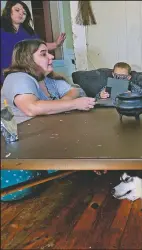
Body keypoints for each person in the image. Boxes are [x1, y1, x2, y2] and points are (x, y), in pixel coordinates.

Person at [1, 39, 95, 201]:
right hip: (17, 149)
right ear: (27, 59)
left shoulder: (48, 80)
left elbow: (75, 90)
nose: (51, 56)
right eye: (43, 54)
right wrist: (72, 104)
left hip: (44, 142)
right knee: (15, 191)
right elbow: (31, 108)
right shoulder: (17, 78)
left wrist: (64, 103)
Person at [1, 0, 66, 84]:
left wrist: (56, 44)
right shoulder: (2, 29)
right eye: (17, 10)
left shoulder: (28, 31)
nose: (21, 14)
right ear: (8, 10)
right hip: (5, 71)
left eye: (24, 13)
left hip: (27, 71)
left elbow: (40, 46)